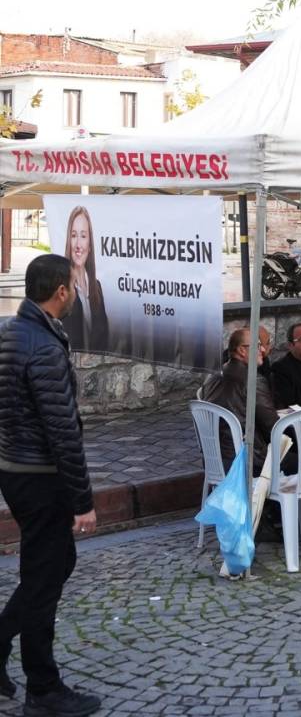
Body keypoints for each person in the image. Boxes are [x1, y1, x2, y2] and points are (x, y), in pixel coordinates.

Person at [0, 254, 102, 716]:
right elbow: (62, 431)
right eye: (74, 285)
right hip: (39, 478)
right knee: (44, 579)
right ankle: (43, 688)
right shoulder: (41, 344)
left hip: (16, 471)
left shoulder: (13, 331)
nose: (77, 292)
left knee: (54, 566)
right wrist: (83, 501)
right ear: (61, 290)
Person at [201, 329, 283, 476]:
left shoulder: (213, 375)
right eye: (257, 346)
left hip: (214, 457)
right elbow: (273, 428)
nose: (263, 350)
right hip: (248, 459)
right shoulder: (253, 380)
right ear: (241, 350)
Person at [60, 205, 108, 352]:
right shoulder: (61, 289)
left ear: (90, 244)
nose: (78, 245)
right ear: (69, 241)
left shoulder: (97, 287)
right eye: (74, 236)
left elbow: (105, 338)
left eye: (83, 236)